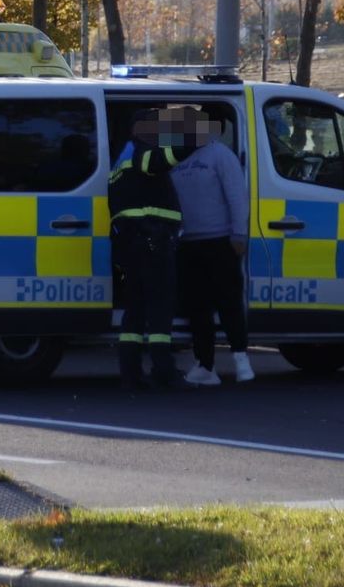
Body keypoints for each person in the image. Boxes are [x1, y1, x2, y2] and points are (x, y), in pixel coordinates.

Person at [168, 107, 253, 386]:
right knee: (198, 308)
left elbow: (237, 197)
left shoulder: (220, 155)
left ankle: (242, 360)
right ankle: (205, 365)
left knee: (229, 303)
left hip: (220, 241)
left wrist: (239, 234)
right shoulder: (176, 157)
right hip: (189, 243)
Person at [108, 108, 190, 389]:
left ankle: (130, 374)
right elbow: (160, 160)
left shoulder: (121, 159)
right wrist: (189, 140)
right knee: (160, 307)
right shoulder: (141, 151)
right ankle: (164, 372)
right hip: (152, 241)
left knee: (135, 309)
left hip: (131, 244)